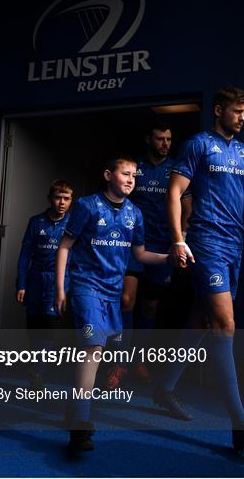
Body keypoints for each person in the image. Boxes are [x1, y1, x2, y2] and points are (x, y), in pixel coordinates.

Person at [152, 86, 244, 453]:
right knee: (224, 325)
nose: (242, 117)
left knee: (202, 322)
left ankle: (163, 388)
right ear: (219, 110)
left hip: (234, 245)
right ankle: (240, 423)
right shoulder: (198, 145)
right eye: (237, 111)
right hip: (206, 242)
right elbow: (174, 193)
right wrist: (177, 238)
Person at [55, 157, 177, 453]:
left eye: (135, 175)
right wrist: (60, 289)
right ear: (108, 174)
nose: (131, 179)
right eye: (126, 173)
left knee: (98, 349)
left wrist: (168, 258)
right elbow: (65, 246)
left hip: (112, 291)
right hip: (86, 285)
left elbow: (140, 254)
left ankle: (75, 406)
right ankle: (81, 424)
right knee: (92, 347)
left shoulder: (135, 214)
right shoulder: (86, 205)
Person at [106, 121, 177, 389]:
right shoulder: (134, 168)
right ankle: (119, 363)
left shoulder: (175, 169)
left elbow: (187, 205)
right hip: (132, 244)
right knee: (126, 301)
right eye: (160, 138)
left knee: (150, 306)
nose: (165, 144)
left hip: (162, 246)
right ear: (149, 139)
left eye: (169, 139)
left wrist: (180, 238)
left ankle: (138, 360)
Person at [16, 179, 73, 389]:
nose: (61, 202)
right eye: (58, 198)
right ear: (50, 199)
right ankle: (36, 365)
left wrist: (70, 286)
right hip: (35, 280)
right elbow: (25, 255)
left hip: (58, 281)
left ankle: (38, 372)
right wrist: (21, 284)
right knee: (34, 327)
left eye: (66, 199)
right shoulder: (36, 222)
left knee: (49, 326)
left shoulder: (74, 224)